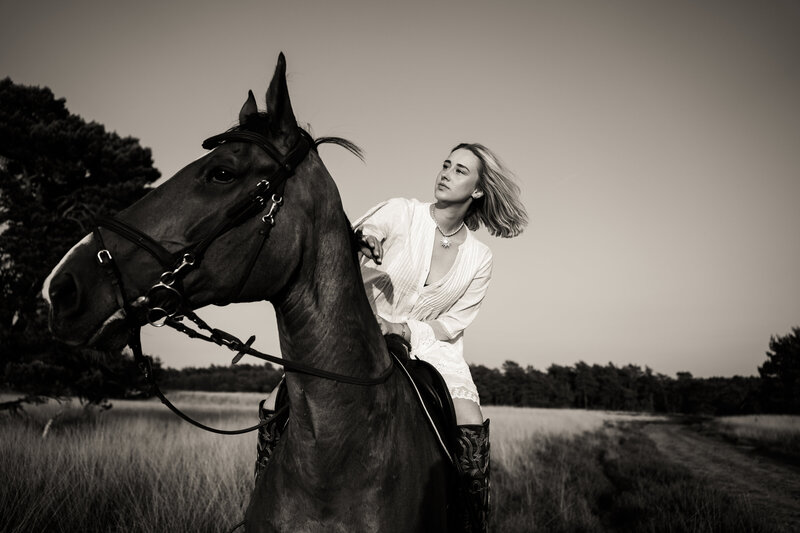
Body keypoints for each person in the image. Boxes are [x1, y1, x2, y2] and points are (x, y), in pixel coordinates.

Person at [353, 142, 528, 532]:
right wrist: (365, 239)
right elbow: (366, 231)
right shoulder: (402, 212)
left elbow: (453, 322)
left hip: (431, 348)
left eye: (460, 170)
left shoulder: (480, 259)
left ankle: (468, 519)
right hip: (365, 331)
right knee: (280, 399)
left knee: (469, 417)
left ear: (478, 190)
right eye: (446, 164)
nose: (446, 173)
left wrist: (405, 330)